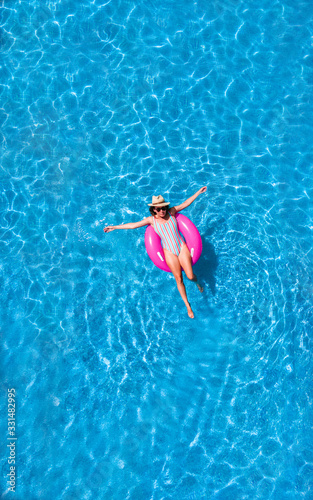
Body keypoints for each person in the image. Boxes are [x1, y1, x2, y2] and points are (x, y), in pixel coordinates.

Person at [103, 187, 207, 318]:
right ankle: (188, 305)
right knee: (179, 278)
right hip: (169, 252)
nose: (162, 211)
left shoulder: (172, 212)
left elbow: (186, 203)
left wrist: (198, 192)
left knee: (190, 276)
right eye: (158, 209)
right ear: (153, 210)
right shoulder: (151, 220)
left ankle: (197, 282)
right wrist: (114, 227)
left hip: (181, 247)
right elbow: (133, 225)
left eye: (163, 208)